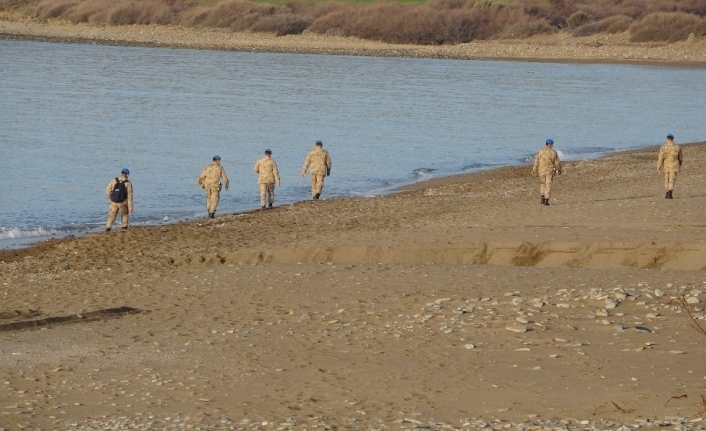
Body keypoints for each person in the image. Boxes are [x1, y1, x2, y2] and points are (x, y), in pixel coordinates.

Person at [531, 139, 562, 206]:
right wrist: (559, 169)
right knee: (548, 185)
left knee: (542, 184)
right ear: (550, 145)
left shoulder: (540, 151)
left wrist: (534, 170)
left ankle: (542, 198)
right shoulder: (553, 152)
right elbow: (557, 163)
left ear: (546, 144)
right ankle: (546, 199)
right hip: (549, 171)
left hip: (541, 170)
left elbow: (536, 162)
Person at [105, 167, 133, 232]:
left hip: (113, 202)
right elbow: (130, 196)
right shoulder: (128, 183)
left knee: (111, 216)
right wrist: (130, 207)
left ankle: (108, 228)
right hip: (123, 202)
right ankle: (124, 227)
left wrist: (111, 198)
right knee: (125, 214)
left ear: (121, 173)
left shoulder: (113, 180)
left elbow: (107, 191)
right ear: (127, 175)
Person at [657, 134, 683, 199]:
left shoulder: (663, 147)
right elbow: (680, 157)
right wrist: (680, 163)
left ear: (667, 139)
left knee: (666, 179)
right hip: (674, 165)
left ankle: (667, 193)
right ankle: (670, 193)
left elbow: (661, 157)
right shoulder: (677, 147)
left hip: (666, 165)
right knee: (672, 179)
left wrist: (658, 166)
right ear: (672, 139)